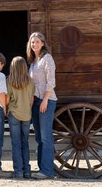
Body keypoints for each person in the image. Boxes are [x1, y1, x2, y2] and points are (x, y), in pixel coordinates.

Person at [26, 32, 57, 179]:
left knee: (45, 137)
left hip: (47, 100)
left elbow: (51, 82)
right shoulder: (33, 62)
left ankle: (47, 171)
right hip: (36, 101)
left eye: (37, 42)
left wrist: (45, 100)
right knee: (38, 137)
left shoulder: (47, 59)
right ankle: (41, 168)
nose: (34, 44)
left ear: (43, 43)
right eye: (32, 42)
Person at [6, 56, 35, 179]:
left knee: (16, 143)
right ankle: (27, 171)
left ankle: (18, 171)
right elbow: (32, 100)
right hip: (26, 115)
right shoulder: (31, 81)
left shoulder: (9, 81)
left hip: (14, 114)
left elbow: (7, 99)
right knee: (25, 143)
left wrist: (7, 109)